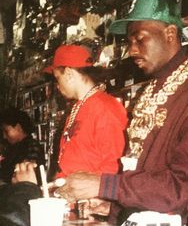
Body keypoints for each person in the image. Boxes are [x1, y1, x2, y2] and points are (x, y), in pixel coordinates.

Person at [55, 0, 188, 225]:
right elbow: (144, 173)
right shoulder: (153, 89)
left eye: (140, 39)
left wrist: (105, 185)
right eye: (130, 42)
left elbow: (181, 187)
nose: (132, 50)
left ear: (169, 34)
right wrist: (114, 206)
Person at [43, 44, 128, 178]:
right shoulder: (77, 106)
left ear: (69, 74)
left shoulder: (105, 106)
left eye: (57, 78)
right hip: (71, 191)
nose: (57, 86)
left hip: (90, 195)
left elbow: (112, 164)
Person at [0, 107, 45, 184]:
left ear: (18, 127)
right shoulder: (13, 147)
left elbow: (24, 178)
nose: (4, 136)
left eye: (6, 131)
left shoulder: (32, 147)